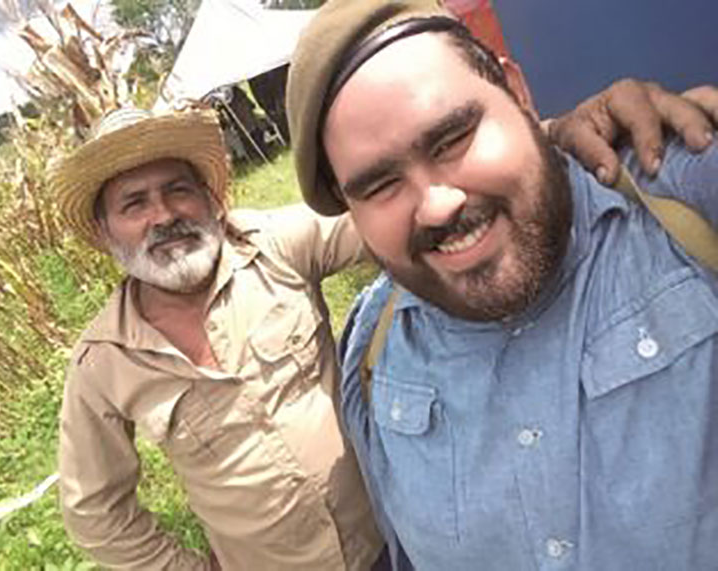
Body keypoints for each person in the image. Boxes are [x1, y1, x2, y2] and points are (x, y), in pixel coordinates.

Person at [51, 94, 715, 568]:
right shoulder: (103, 362)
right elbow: (95, 512)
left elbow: (398, 213)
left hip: (393, 547)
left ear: (211, 200)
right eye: (134, 204)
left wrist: (550, 137)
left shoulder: (272, 246)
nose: (163, 215)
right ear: (106, 233)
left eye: (177, 190)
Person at [286, 1, 718, 570]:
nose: (437, 205)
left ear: (517, 92)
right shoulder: (372, 354)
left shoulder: (686, 205)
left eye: (452, 139)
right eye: (381, 185)